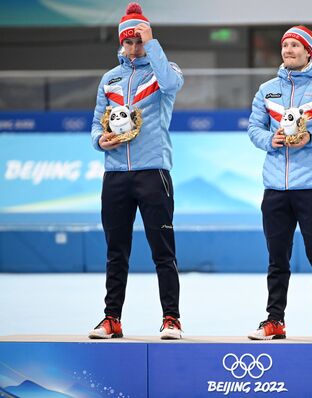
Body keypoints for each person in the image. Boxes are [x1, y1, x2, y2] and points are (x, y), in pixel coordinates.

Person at [247, 26, 312, 340]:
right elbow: (254, 129)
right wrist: (271, 139)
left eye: (295, 45)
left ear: (309, 51)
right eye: (285, 45)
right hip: (275, 190)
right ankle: (274, 321)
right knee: (277, 261)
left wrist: (310, 138)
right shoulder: (267, 90)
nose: (288, 50)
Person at [88, 3, 184, 340]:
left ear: (148, 39)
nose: (133, 47)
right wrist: (101, 140)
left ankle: (171, 318)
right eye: (128, 41)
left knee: (163, 250)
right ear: (120, 43)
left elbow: (172, 84)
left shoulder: (163, 71)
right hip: (115, 175)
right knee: (116, 251)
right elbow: (95, 125)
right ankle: (111, 318)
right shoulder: (109, 79)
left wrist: (151, 41)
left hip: (152, 173)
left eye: (138, 40)